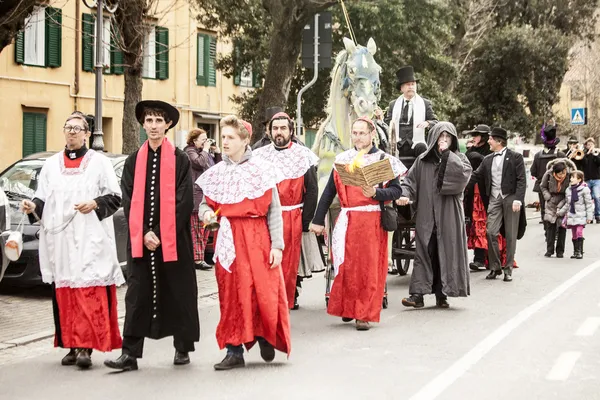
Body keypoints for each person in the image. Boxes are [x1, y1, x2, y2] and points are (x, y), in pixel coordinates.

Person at [20, 111, 124, 369]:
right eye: (68, 127)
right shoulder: (51, 164)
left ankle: (85, 347)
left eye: (77, 128)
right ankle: (69, 342)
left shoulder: (99, 162)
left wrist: (95, 203)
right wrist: (31, 205)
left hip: (90, 237)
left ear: (87, 133)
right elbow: (41, 198)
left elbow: (115, 196)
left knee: (87, 291)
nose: (72, 132)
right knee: (64, 291)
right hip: (62, 239)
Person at [105, 100, 199, 371]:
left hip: (174, 240)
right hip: (140, 240)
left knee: (179, 291)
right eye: (149, 121)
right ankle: (130, 353)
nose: (153, 126)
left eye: (159, 120)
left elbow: (185, 201)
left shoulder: (180, 159)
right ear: (143, 124)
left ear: (168, 124)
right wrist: (145, 233)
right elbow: (128, 198)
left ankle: (182, 347)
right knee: (137, 294)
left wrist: (159, 233)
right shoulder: (134, 160)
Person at [197, 115, 291, 371]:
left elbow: (273, 209)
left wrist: (277, 246)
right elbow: (206, 204)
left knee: (260, 290)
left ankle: (263, 334)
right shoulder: (216, 173)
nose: (224, 142)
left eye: (230, 137)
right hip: (227, 239)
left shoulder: (262, 170)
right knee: (231, 294)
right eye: (223, 136)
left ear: (244, 140)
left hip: (257, 236)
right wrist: (205, 214)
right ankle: (233, 348)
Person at [310, 117, 406, 331]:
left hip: (372, 222)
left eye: (362, 133)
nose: (358, 137)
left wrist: (376, 193)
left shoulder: (383, 159)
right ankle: (349, 307)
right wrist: (317, 220)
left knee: (367, 268)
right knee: (346, 266)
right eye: (355, 133)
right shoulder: (343, 159)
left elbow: (397, 191)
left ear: (372, 134)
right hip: (348, 220)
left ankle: (363, 314)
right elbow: (329, 192)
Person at [396, 122, 471, 308]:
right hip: (426, 217)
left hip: (449, 216)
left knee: (444, 253)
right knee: (424, 253)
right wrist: (404, 195)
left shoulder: (460, 159)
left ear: (453, 140)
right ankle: (417, 295)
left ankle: (442, 294)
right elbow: (409, 182)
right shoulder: (422, 161)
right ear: (433, 138)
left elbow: (461, 179)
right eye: (441, 136)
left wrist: (447, 156)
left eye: (448, 137)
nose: (444, 140)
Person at [253, 112, 319, 310]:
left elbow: (312, 189)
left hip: (292, 215)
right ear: (269, 131)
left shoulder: (303, 155)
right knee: (266, 258)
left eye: (283, 128)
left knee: (289, 262)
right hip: (266, 216)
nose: (278, 132)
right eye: (275, 128)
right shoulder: (259, 155)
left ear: (291, 130)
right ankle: (268, 298)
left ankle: (286, 299)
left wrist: (307, 220)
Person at [469, 127, 526, 282]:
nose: (488, 141)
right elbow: (475, 176)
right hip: (494, 199)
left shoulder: (515, 157)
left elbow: (522, 180)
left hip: (510, 198)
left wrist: (518, 199)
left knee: (510, 235)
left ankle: (508, 269)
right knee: (491, 232)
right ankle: (495, 267)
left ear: (499, 141)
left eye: (491, 139)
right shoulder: (487, 159)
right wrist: (459, 186)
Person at [384, 65, 438, 158]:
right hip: (398, 144)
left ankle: (422, 172)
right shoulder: (393, 105)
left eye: (413, 84)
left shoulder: (425, 103)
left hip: (416, 144)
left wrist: (427, 122)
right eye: (408, 84)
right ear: (401, 88)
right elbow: (387, 123)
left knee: (422, 147)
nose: (411, 87)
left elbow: (436, 122)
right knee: (385, 148)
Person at [184, 128, 215, 270]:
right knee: (196, 230)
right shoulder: (189, 151)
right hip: (196, 197)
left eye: (206, 139)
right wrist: (206, 150)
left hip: (207, 196)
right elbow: (200, 163)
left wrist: (218, 153)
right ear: (194, 141)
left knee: (205, 230)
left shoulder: (205, 153)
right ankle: (197, 259)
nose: (205, 142)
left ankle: (201, 256)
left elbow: (216, 168)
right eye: (203, 139)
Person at [540, 158, 576, 258]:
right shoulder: (548, 174)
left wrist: (563, 204)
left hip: (564, 200)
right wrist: (547, 197)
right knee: (550, 226)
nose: (562, 175)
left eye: (563, 173)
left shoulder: (569, 175)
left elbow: (571, 190)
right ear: (555, 172)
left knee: (562, 227)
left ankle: (560, 251)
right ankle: (549, 250)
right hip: (551, 201)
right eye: (559, 174)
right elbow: (543, 186)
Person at [530, 123, 564, 224]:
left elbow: (533, 172)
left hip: (543, 186)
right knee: (557, 208)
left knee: (545, 210)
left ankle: (547, 232)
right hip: (558, 186)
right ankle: (556, 230)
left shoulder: (537, 155)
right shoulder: (560, 155)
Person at [557, 170, 595, 259]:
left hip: (581, 215)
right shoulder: (568, 190)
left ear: (579, 179)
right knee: (574, 234)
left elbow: (588, 204)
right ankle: (575, 251)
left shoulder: (585, 189)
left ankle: (579, 252)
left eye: (573, 177)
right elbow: (567, 204)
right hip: (571, 215)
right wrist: (560, 212)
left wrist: (589, 217)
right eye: (571, 177)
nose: (571, 179)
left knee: (579, 231)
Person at [581, 138, 600, 223]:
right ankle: (589, 217)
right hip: (587, 179)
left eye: (591, 144)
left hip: (596, 179)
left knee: (597, 197)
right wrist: (587, 154)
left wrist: (595, 155)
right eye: (588, 145)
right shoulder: (583, 154)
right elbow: (583, 163)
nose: (590, 146)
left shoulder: (597, 153)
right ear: (586, 146)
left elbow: (599, 163)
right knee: (588, 199)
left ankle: (598, 215)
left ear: (594, 145)